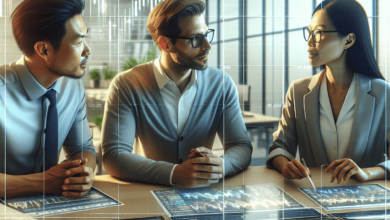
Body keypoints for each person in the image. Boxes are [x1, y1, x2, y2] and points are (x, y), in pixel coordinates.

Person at [102, 0, 252, 188]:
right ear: (165, 43)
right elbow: (113, 156)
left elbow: (241, 146)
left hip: (202, 199)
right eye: (196, 39)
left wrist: (222, 165)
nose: (207, 46)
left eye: (206, 35)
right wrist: (173, 173)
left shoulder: (221, 84)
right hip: (148, 196)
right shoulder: (127, 84)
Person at [266, 0, 390, 184]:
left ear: (348, 40)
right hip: (313, 198)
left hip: (365, 202)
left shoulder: (383, 93)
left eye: (318, 33)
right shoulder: (298, 91)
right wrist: (286, 164)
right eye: (309, 32)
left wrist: (367, 173)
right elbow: (280, 147)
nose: (309, 42)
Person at [0, 0, 96, 198]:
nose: (87, 51)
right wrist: (42, 183)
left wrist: (83, 174)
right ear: (44, 50)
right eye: (78, 42)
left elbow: (83, 149)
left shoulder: (72, 86)